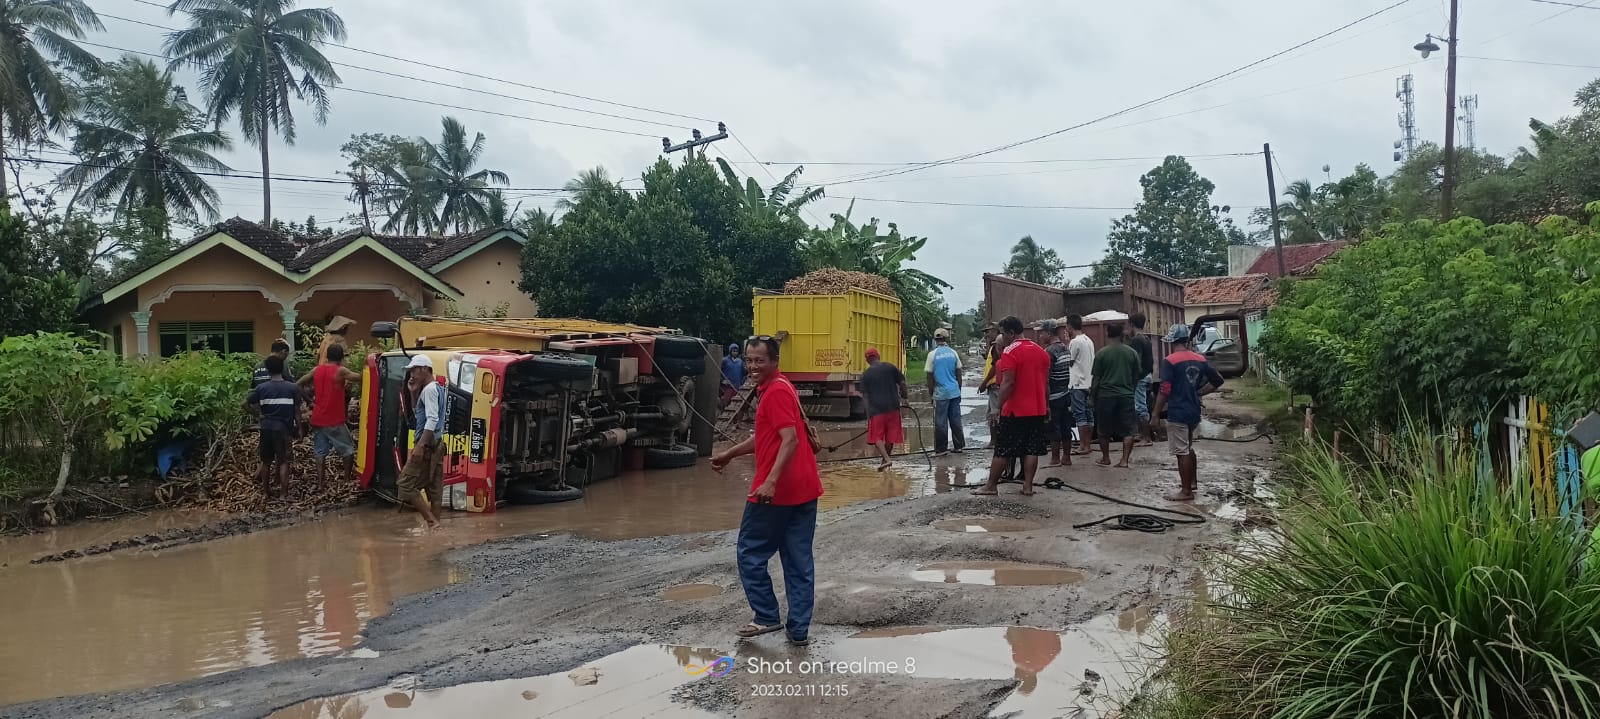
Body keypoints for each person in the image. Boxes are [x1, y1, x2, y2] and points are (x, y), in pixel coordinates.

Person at [710, 337, 823, 646]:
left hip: (776, 493)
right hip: (805, 488)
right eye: (749, 360)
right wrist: (730, 453)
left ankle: (766, 616)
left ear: (775, 361)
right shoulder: (784, 387)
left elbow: (790, 440)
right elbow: (766, 438)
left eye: (759, 360)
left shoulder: (774, 393)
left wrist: (771, 481)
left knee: (749, 552)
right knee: (798, 559)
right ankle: (798, 630)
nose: (752, 366)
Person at [973, 316, 1050, 497]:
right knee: (1032, 448)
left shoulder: (1010, 352)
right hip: (1037, 409)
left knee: (1003, 448)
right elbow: (1046, 383)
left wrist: (998, 408)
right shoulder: (1041, 352)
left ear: (1011, 333)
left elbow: (1008, 383)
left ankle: (991, 486)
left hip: (1015, 410)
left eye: (1003, 333)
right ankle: (1028, 487)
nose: (1002, 337)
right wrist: (1046, 405)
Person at [1152, 324, 1225, 502]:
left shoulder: (1169, 361)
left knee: (1181, 451)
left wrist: (1155, 413)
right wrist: (1199, 392)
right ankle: (1192, 483)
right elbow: (1218, 379)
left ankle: (1185, 492)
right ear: (1187, 340)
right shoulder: (1199, 359)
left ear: (1172, 341)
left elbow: (1165, 389)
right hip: (1193, 410)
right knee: (1188, 447)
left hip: (1177, 411)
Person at [298, 343, 360, 489]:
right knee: (348, 450)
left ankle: (320, 483)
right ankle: (346, 480)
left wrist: (309, 401)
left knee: (320, 451)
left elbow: (298, 384)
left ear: (327, 356)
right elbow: (360, 378)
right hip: (334, 419)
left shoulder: (317, 370)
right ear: (341, 357)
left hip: (318, 418)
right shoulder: (341, 371)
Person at [398, 354, 447, 528]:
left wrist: (419, 446)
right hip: (436, 445)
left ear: (425, 369)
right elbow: (419, 416)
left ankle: (432, 522)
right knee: (434, 490)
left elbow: (432, 420)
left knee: (405, 485)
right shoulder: (436, 388)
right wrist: (413, 394)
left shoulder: (430, 390)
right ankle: (436, 532)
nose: (411, 375)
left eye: (415, 370)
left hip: (427, 445)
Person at [244, 354, 302, 499]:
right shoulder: (292, 387)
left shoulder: (261, 388)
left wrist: (258, 415)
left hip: (266, 428)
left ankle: (265, 492)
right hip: (283, 429)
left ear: (268, 370)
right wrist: (300, 428)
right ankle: (283, 494)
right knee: (283, 462)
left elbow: (244, 404)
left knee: (266, 461)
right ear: (282, 369)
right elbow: (296, 411)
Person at [1091, 323, 1142, 468]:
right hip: (1126, 395)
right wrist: (1131, 389)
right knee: (1129, 429)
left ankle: (1106, 458)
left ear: (1107, 334)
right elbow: (1136, 375)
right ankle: (1124, 460)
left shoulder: (1102, 353)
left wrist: (1092, 398)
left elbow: (1096, 379)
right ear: (1122, 334)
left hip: (1105, 396)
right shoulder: (1131, 353)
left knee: (1103, 429)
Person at [859, 347, 907, 471]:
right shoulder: (890, 367)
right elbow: (902, 382)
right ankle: (885, 462)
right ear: (878, 356)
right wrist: (905, 396)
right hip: (893, 408)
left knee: (876, 437)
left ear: (867, 360)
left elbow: (865, 396)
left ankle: (887, 459)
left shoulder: (866, 374)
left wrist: (868, 413)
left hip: (877, 410)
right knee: (890, 437)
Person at [925, 328, 965, 456]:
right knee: (955, 420)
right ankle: (958, 446)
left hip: (941, 393)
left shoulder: (932, 355)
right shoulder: (953, 353)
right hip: (954, 391)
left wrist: (931, 393)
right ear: (947, 339)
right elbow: (959, 373)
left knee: (941, 422)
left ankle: (941, 449)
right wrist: (959, 389)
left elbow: (929, 376)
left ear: (935, 340)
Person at [1042, 319, 1074, 467]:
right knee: (1066, 426)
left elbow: (1046, 379)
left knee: (1053, 427)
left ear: (1048, 333)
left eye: (1042, 332)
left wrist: (1045, 402)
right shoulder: (1065, 348)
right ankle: (1066, 457)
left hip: (1054, 396)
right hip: (1066, 394)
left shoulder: (1048, 352)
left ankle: (1055, 459)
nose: (1041, 336)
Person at [1066, 315, 1096, 455]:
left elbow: (1070, 362)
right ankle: (1088, 444)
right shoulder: (1088, 340)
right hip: (1089, 382)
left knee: (1080, 415)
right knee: (1089, 414)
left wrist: (1067, 343)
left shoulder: (1074, 342)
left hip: (1077, 383)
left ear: (1070, 327)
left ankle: (1083, 446)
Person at [1126, 312, 1156, 446]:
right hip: (1147, 375)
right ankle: (1142, 434)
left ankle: (1146, 437)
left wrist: (1133, 377)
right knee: (1141, 405)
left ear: (1132, 324)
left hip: (1141, 377)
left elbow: (1135, 360)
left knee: (1140, 407)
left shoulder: (1137, 340)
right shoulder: (1146, 339)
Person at [979, 323, 1003, 429]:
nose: (987, 335)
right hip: (992, 385)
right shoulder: (993, 347)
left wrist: (984, 383)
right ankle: (994, 441)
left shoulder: (996, 348)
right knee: (990, 414)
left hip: (994, 385)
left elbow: (995, 368)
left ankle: (995, 441)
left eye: (990, 332)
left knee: (994, 414)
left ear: (997, 332)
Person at [721, 343, 747, 409]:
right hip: (728, 386)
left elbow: (744, 373)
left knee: (736, 405)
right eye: (733, 351)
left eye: (736, 351)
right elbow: (718, 371)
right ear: (730, 351)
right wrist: (722, 380)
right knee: (726, 403)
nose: (735, 353)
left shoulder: (740, 361)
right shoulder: (724, 360)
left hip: (737, 386)